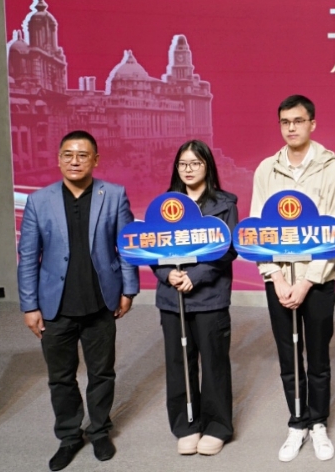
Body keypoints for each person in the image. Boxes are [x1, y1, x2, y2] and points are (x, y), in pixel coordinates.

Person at [17, 131, 139, 471]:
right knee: (61, 377)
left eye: (83, 155)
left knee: (102, 373)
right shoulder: (38, 201)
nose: (75, 161)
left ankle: (99, 431)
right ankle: (69, 436)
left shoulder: (113, 195)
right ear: (58, 159)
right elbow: (28, 258)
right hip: (54, 306)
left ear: (95, 160)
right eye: (68, 154)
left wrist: (128, 290)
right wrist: (29, 305)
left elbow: (126, 247)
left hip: (101, 301)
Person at [251, 94, 335, 463]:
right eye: (285, 122)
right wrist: (275, 276)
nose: (291, 128)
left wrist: (306, 281)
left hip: (317, 281)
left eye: (298, 121)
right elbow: (257, 229)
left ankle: (318, 422)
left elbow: (333, 231)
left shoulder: (331, 168)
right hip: (278, 280)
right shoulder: (266, 169)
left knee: (318, 356)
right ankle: (297, 422)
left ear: (312, 124)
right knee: (288, 355)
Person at [151, 140, 238, 456]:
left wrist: (196, 276)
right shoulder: (164, 205)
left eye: (195, 163)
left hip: (210, 297)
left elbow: (228, 249)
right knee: (178, 363)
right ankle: (186, 424)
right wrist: (166, 274)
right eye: (183, 164)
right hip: (171, 298)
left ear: (207, 166)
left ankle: (217, 427)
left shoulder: (225, 204)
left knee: (214, 363)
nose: (188, 170)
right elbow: (150, 245)